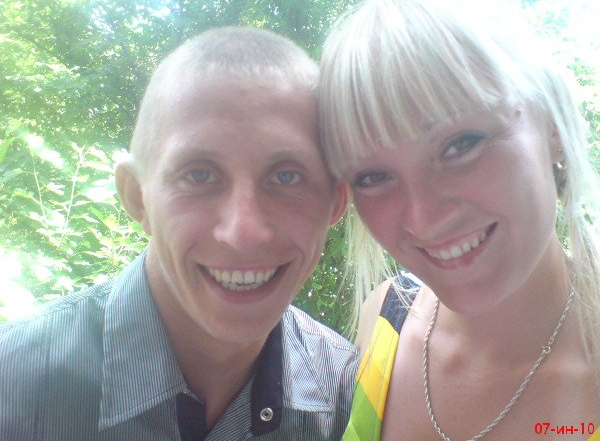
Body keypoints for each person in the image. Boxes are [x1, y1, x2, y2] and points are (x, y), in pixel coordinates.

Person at [318, 0, 600, 441]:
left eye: (462, 144)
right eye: (372, 176)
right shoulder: (386, 316)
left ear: (552, 126)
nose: (424, 218)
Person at [0, 26, 356, 440]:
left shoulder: (350, 404)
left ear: (336, 202)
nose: (242, 232)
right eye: (199, 175)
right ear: (137, 197)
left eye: (287, 176)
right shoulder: (12, 385)